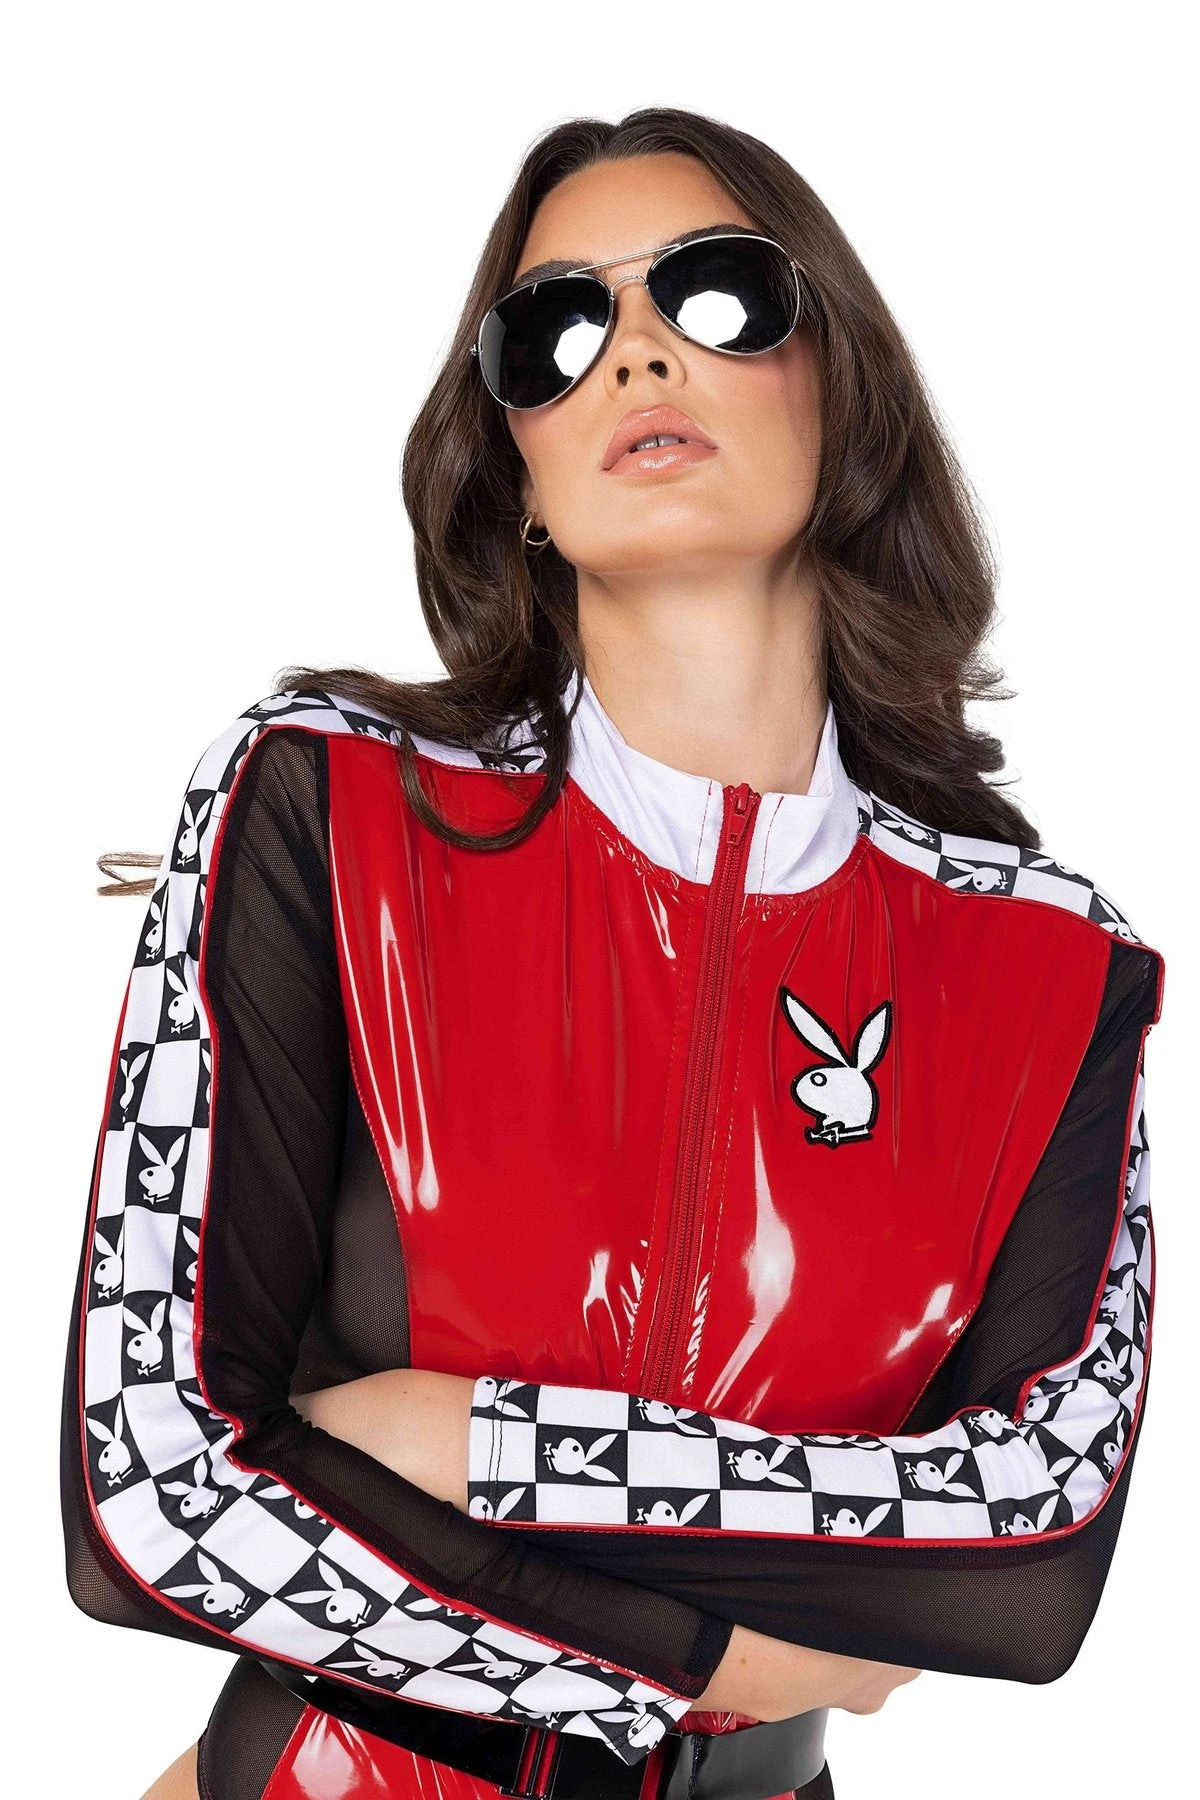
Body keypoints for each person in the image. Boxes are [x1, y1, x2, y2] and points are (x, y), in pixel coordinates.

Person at [60, 107, 1164, 1800]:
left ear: (843, 388)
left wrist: (469, 1444)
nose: (635, 352)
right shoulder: (322, 801)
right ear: (514, 464)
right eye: (555, 329)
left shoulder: (1050, 964)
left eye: (719, 294)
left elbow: (1028, 1561)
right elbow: (148, 1491)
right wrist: (723, 1659)